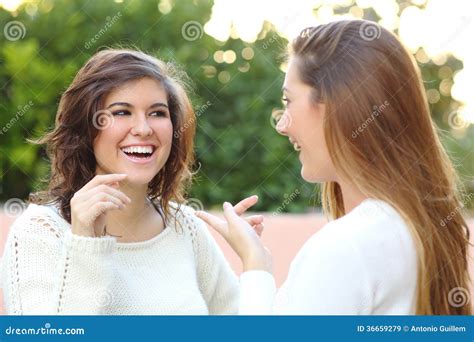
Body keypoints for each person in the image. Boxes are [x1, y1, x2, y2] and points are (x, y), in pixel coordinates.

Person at [196, 20, 472, 315]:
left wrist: (254, 266)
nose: (281, 124)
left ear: (338, 106)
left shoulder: (344, 249)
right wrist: (257, 261)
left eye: (289, 101)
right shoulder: (416, 228)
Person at [0, 49, 257, 315]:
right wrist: (85, 244)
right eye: (122, 112)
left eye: (157, 113)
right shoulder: (39, 232)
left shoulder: (187, 228)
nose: (144, 129)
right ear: (86, 128)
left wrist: (255, 262)